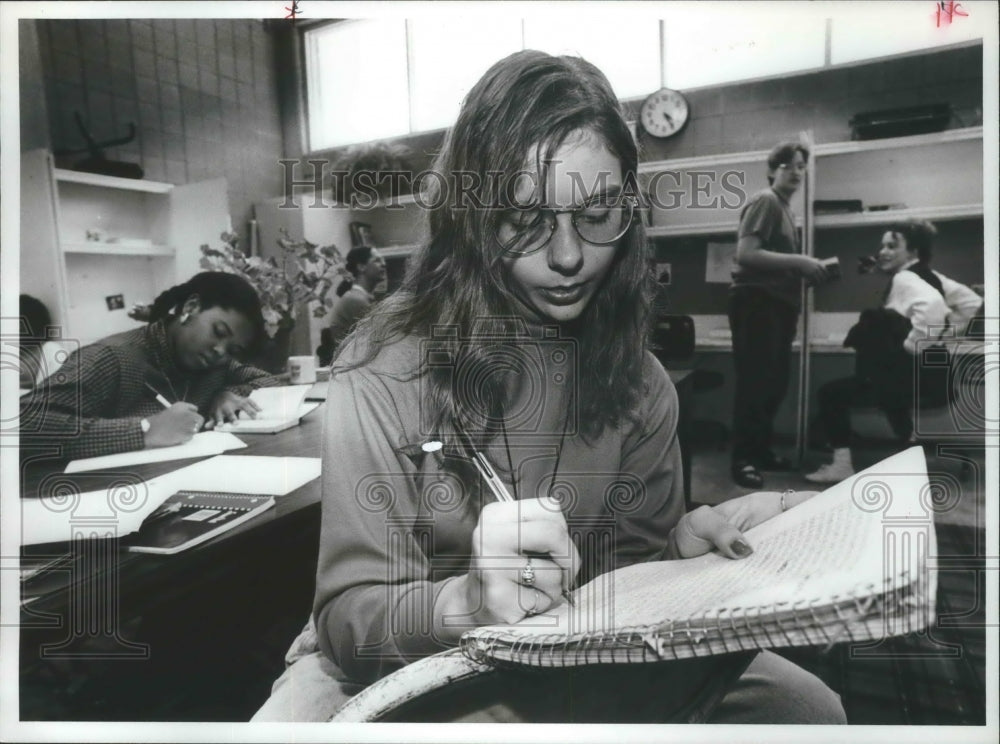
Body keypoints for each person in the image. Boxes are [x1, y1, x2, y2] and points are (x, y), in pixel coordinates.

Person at [252, 51, 845, 724]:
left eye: (597, 214)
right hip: (402, 649)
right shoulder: (383, 364)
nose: (568, 256)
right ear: (472, 217)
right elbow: (349, 620)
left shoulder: (641, 384)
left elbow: (626, 584)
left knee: (805, 710)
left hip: (574, 641)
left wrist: (679, 562)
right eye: (526, 217)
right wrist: (467, 603)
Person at [20, 271, 280, 461]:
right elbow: (23, 427)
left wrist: (231, 395)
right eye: (218, 332)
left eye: (233, 350)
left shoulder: (216, 366)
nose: (220, 351)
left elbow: (270, 383)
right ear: (190, 307)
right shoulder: (112, 358)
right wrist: (144, 430)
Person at [804, 219, 981, 483]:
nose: (883, 251)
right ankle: (910, 449)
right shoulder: (931, 276)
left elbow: (932, 307)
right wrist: (943, 335)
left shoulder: (905, 278)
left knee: (830, 394)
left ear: (913, 252)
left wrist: (913, 344)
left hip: (906, 377)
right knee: (889, 392)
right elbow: (972, 304)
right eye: (882, 246)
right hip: (931, 378)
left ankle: (842, 466)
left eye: (892, 246)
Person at [728, 141, 831, 489]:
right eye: (791, 166)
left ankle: (758, 452)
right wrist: (801, 262)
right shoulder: (766, 201)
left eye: (802, 167)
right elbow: (746, 253)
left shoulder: (785, 211)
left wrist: (802, 271)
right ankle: (742, 459)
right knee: (756, 385)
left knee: (773, 385)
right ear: (773, 170)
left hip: (777, 305)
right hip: (758, 302)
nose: (798, 172)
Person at [317, 246, 386, 365]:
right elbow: (379, 342)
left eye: (383, 260)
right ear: (361, 267)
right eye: (377, 260)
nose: (383, 264)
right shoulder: (356, 300)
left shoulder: (361, 298)